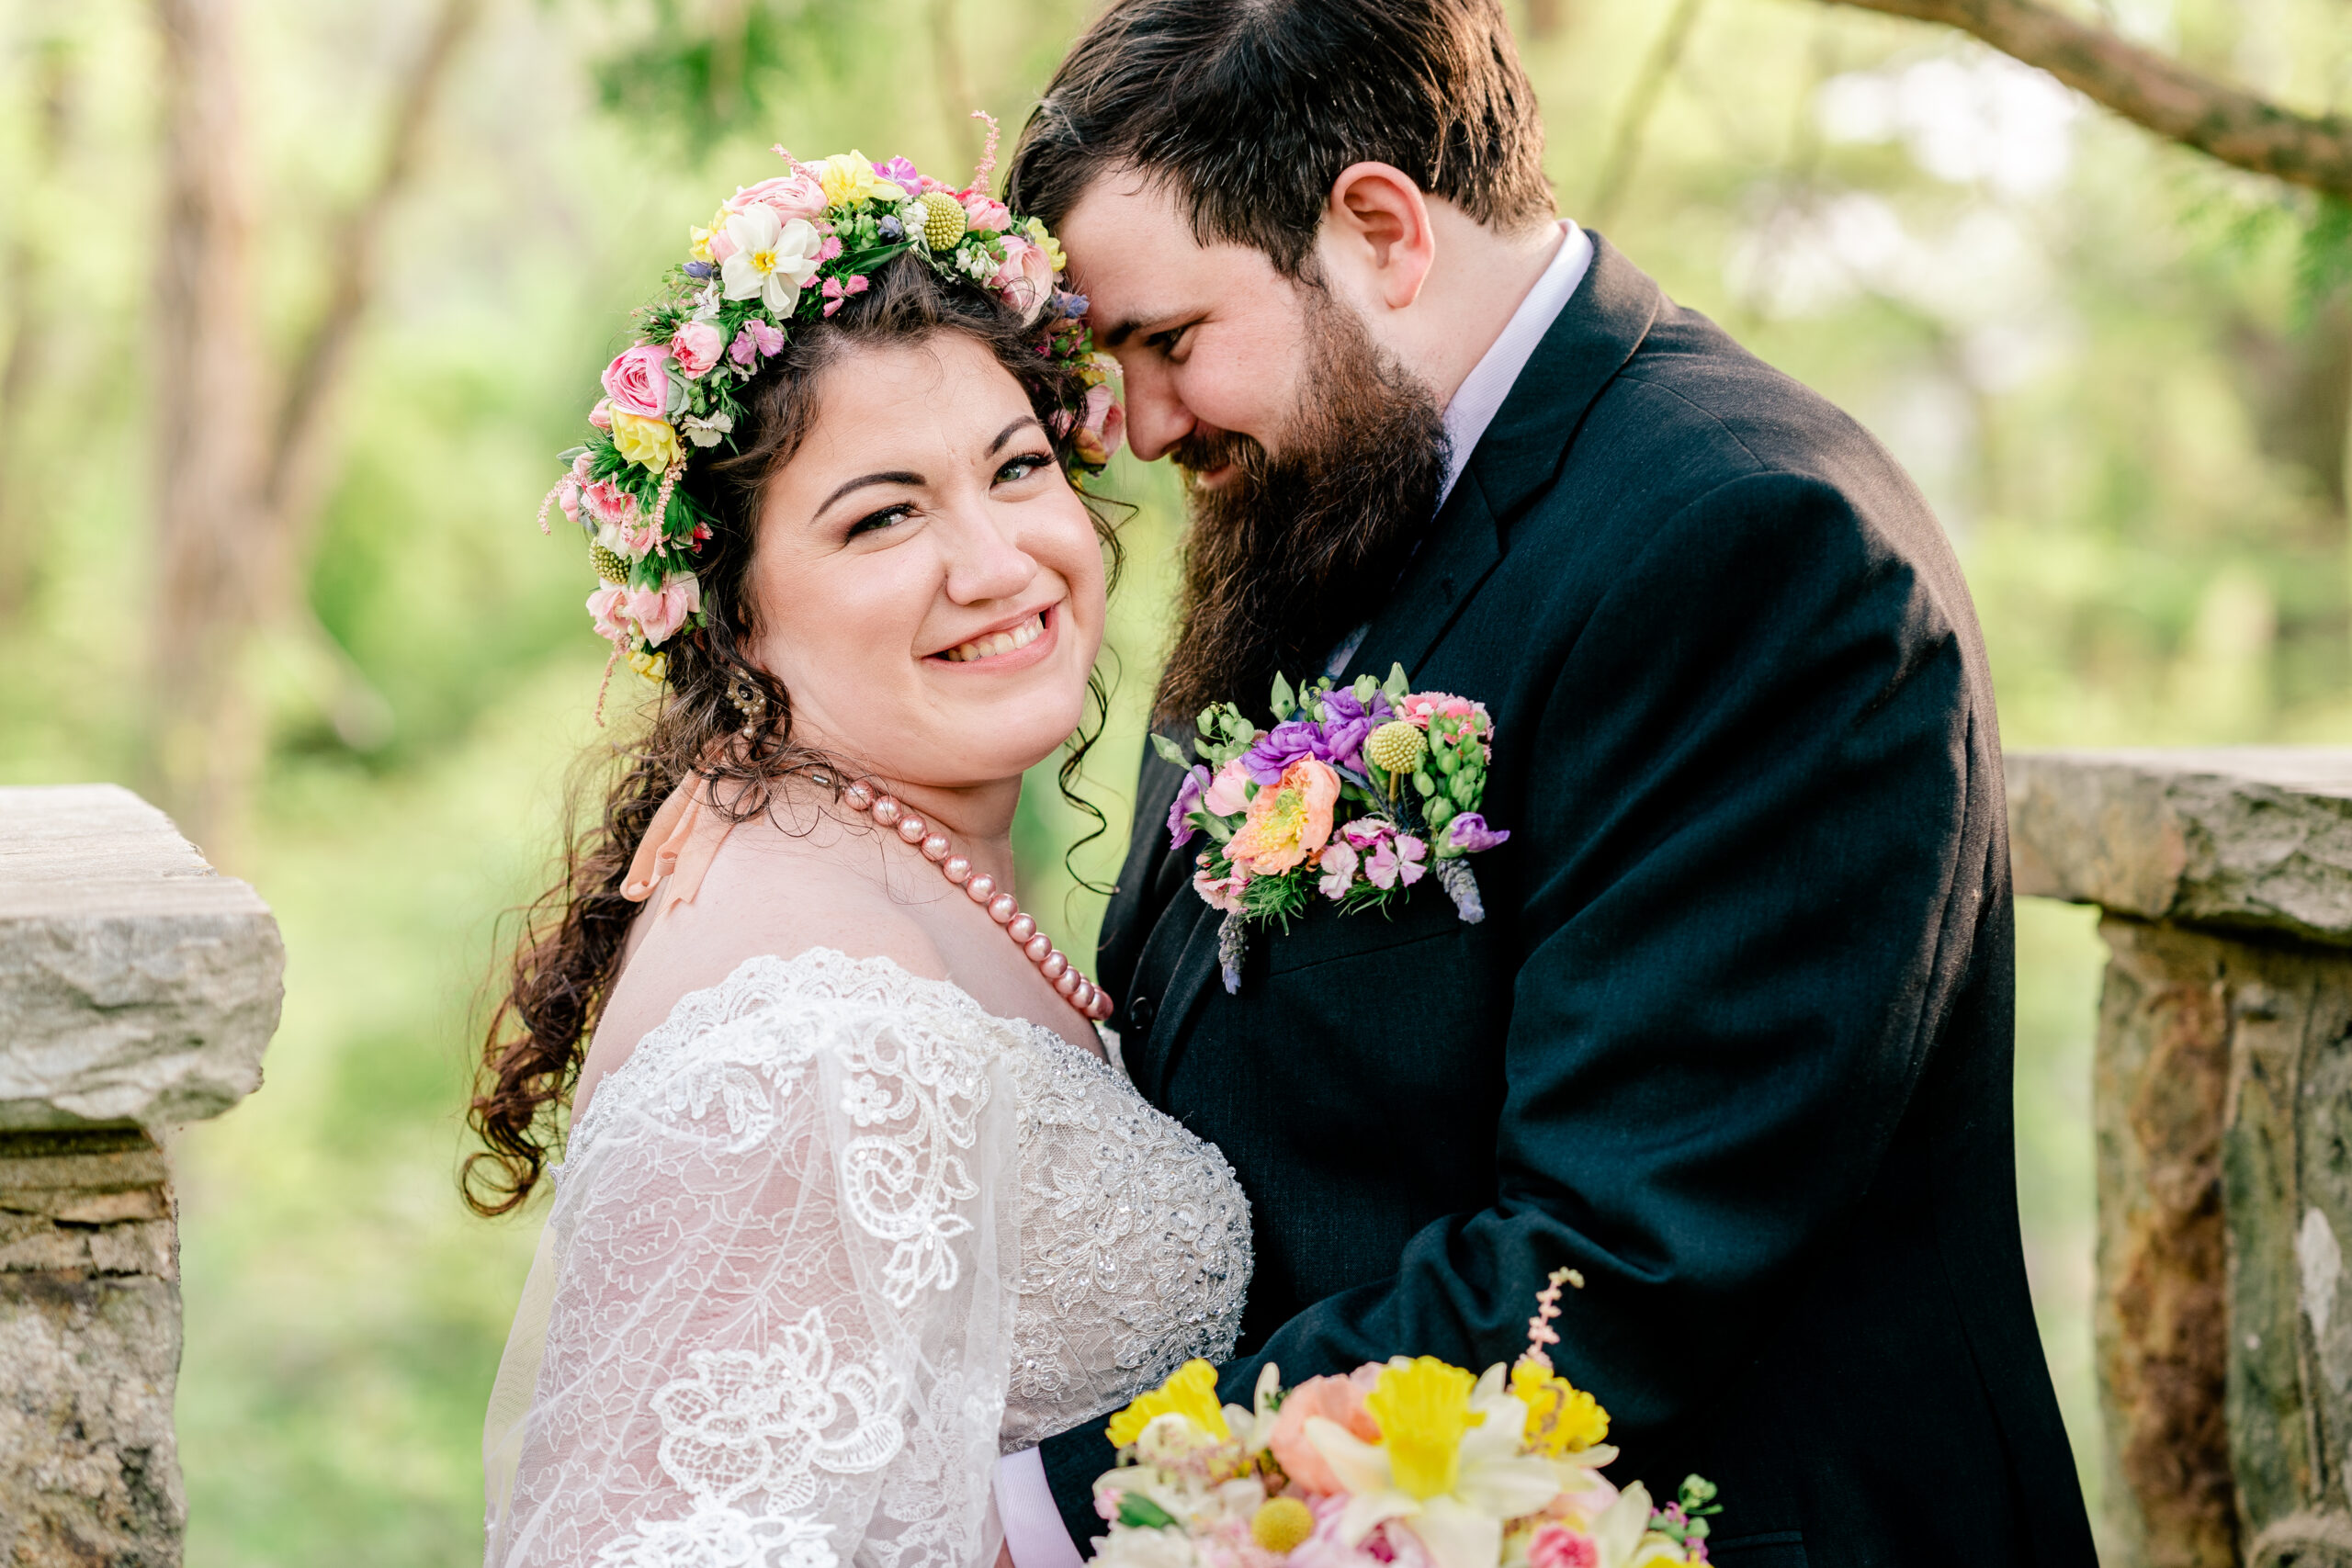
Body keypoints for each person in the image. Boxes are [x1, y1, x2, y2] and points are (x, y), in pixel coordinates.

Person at [993, 0, 2101, 1562]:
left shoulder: (1758, 548)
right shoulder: (1328, 499)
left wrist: (1059, 1512)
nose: (1147, 421)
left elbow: (1616, 1259)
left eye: (1170, 341)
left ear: (1380, 227)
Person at [468, 157, 1249, 1567]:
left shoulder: (865, 849)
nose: (998, 561)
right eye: (884, 515)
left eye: (1017, 470)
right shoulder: (819, 1037)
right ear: (738, 619)